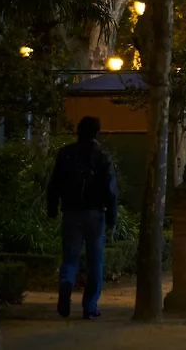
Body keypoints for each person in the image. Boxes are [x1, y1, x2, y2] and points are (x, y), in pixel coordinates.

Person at [47, 116, 118, 320]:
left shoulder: (66, 154)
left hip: (71, 212)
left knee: (70, 257)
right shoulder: (103, 156)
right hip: (95, 213)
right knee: (95, 261)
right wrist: (112, 218)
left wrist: (52, 209)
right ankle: (90, 307)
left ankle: (66, 283)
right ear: (96, 132)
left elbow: (54, 185)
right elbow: (110, 191)